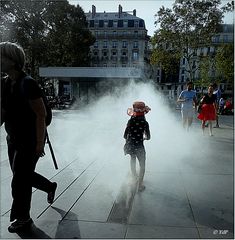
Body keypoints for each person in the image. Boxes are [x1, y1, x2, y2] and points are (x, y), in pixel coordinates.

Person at [0, 42, 57, 233]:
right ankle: (50, 186)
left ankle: (23, 218)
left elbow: (41, 115)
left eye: (2, 56)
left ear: (13, 60)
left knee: (19, 180)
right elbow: (3, 111)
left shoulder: (28, 83)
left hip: (30, 140)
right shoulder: (4, 83)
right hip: (13, 139)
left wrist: (40, 144)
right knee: (22, 176)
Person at [123, 101, 151, 192]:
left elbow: (124, 135)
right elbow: (148, 137)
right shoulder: (144, 123)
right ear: (143, 113)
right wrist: (143, 138)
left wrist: (130, 137)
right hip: (139, 146)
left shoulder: (130, 121)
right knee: (142, 165)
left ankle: (134, 178)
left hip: (130, 145)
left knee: (132, 159)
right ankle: (140, 185)